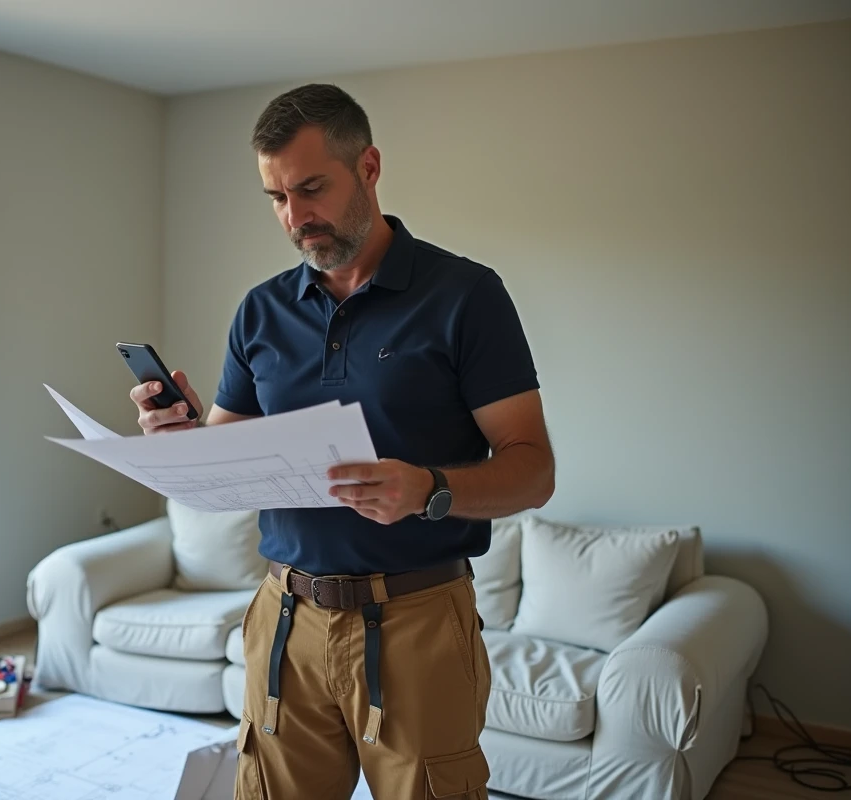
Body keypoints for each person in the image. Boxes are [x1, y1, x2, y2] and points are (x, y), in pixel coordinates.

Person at [130, 83, 555, 800]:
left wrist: (429, 488)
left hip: (418, 618)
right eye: (275, 198)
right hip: (283, 618)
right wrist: (179, 439)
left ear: (369, 167)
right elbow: (226, 462)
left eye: (311, 188)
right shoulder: (260, 311)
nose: (295, 218)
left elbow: (533, 469)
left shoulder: (466, 296)